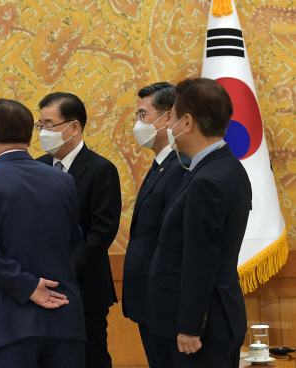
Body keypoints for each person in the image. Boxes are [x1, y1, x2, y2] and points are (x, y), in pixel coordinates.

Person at [0, 98, 86, 368]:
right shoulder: (63, 180)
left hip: (9, 321)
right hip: (63, 315)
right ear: (31, 136)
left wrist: (28, 286)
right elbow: (74, 237)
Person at [146, 78, 252, 367]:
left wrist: (190, 326)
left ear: (188, 122)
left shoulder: (208, 179)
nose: (170, 127)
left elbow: (201, 258)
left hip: (198, 331)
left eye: (172, 118)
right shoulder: (223, 167)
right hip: (205, 320)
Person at [35, 92, 121, 368]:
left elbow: (102, 231)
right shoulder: (37, 167)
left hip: (85, 288)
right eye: (40, 126)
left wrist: (63, 271)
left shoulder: (100, 169)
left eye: (50, 125)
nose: (44, 132)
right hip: (41, 288)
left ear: (74, 127)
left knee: (91, 359)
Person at [122, 82, 189, 368]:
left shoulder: (181, 166)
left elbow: (173, 240)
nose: (137, 124)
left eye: (143, 115)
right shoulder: (161, 164)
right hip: (150, 300)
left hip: (166, 303)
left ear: (168, 117)